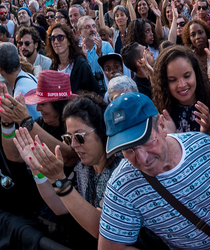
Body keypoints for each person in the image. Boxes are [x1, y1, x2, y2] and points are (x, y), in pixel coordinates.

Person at [99, 92, 210, 250]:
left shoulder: (203, 146)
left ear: (162, 125)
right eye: (128, 150)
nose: (142, 158)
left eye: (146, 141)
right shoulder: (121, 186)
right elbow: (110, 247)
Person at [13, 93, 122, 241]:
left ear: (102, 131)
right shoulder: (83, 167)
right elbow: (61, 207)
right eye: (68, 138)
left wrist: (60, 180)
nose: (74, 145)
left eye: (79, 137)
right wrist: (38, 171)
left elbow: (102, 230)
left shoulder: (119, 170)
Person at [152, 45, 210, 148]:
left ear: (196, 73)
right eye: (172, 80)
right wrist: (169, 138)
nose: (182, 84)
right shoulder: (160, 113)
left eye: (187, 76)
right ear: (164, 83)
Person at [0, 70, 78, 168]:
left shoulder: (75, 124)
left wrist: (26, 121)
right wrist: (7, 123)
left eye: (43, 104)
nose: (37, 108)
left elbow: (69, 157)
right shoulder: (40, 124)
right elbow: (14, 156)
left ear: (58, 104)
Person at [45, 22, 99, 93]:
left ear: (69, 41)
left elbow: (95, 93)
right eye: (52, 38)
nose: (55, 41)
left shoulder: (81, 65)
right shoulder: (53, 67)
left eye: (60, 38)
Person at [0, 41, 40, 119]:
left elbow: (32, 128)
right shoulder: (29, 76)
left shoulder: (20, 95)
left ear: (0, 69)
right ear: (19, 59)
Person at [78, 16, 115, 92]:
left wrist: (100, 55)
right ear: (80, 32)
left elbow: (113, 71)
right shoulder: (76, 50)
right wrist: (82, 58)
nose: (92, 29)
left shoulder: (106, 46)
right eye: (87, 27)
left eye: (94, 26)